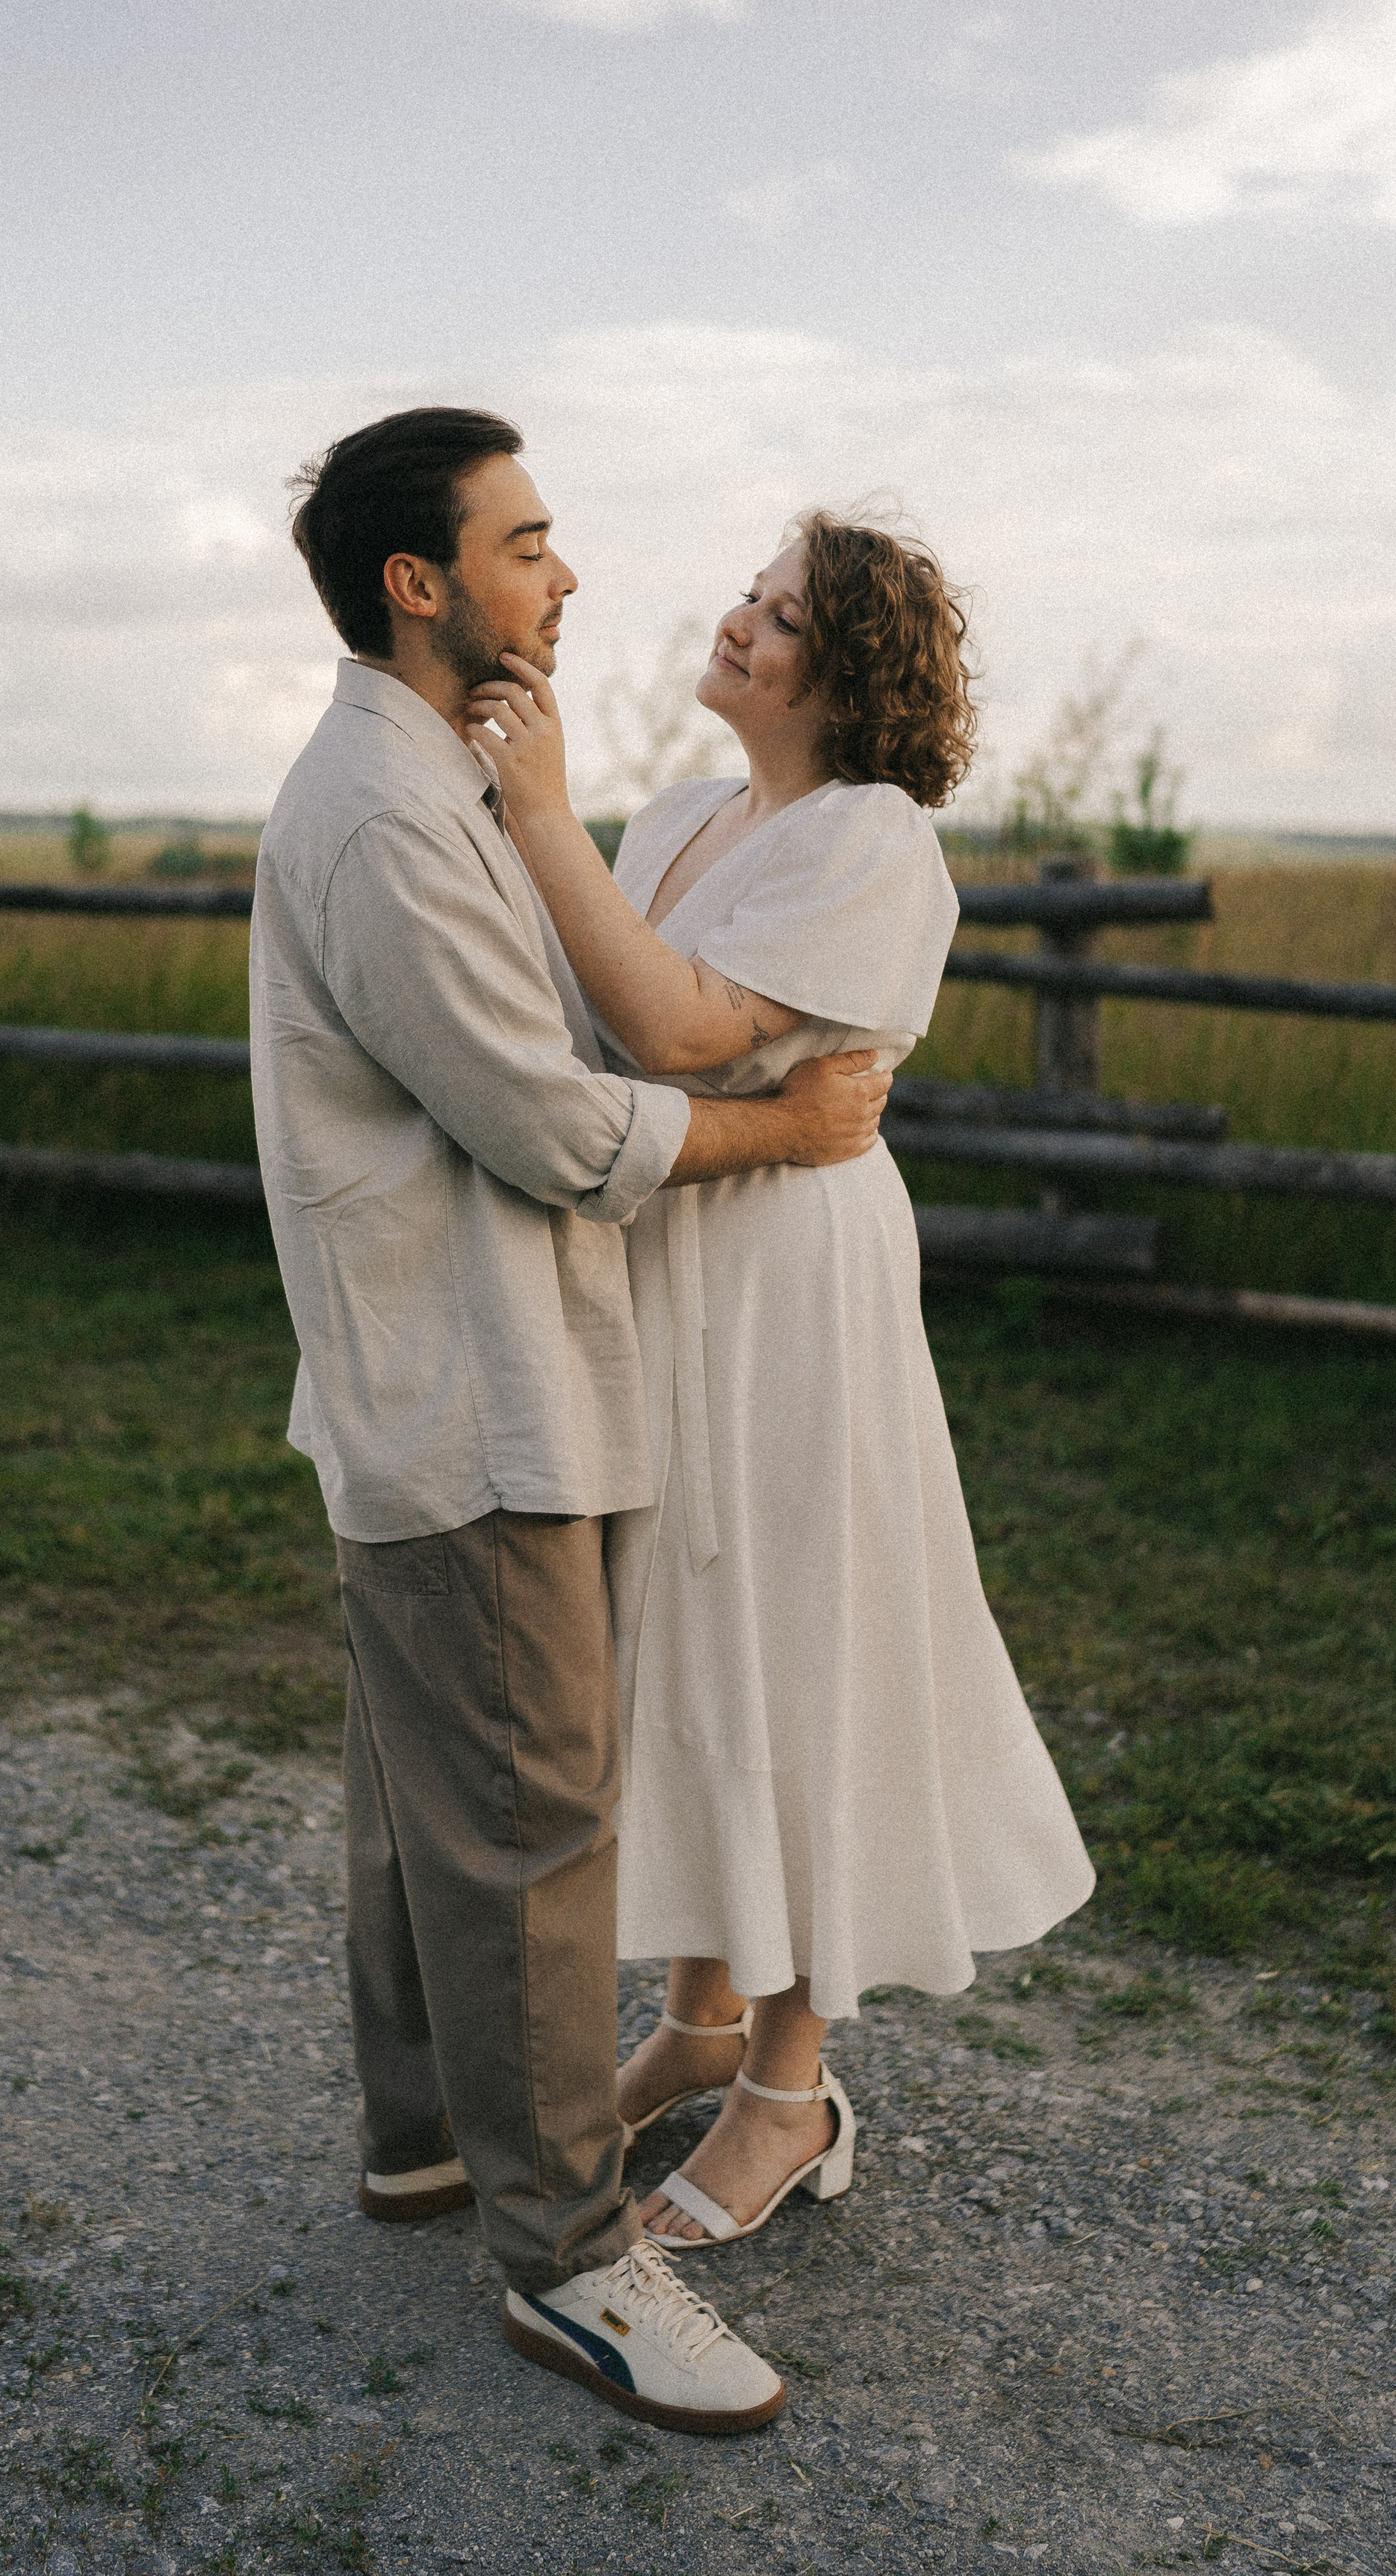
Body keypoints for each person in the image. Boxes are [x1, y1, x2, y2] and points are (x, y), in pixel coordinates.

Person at [250, 411, 896, 2429]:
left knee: (425, 1793)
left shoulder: (435, 776)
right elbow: (540, 1114)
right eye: (529, 545)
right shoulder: (380, 809)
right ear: (418, 585)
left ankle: (427, 2137)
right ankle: (570, 2264)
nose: (571, 574)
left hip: (446, 1363)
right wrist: (782, 1122)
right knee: (531, 1815)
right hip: (476, 1378)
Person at [467, 509, 1096, 2250]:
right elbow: (582, 1014)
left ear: (856, 672)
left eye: (781, 616)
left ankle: (788, 2094)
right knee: (680, 1626)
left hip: (792, 1284)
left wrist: (534, 814)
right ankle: (698, 2018)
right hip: (665, 1257)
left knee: (797, 1641)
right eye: (745, 597)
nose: (737, 624)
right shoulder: (675, 819)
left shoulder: (871, 840)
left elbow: (673, 1031)